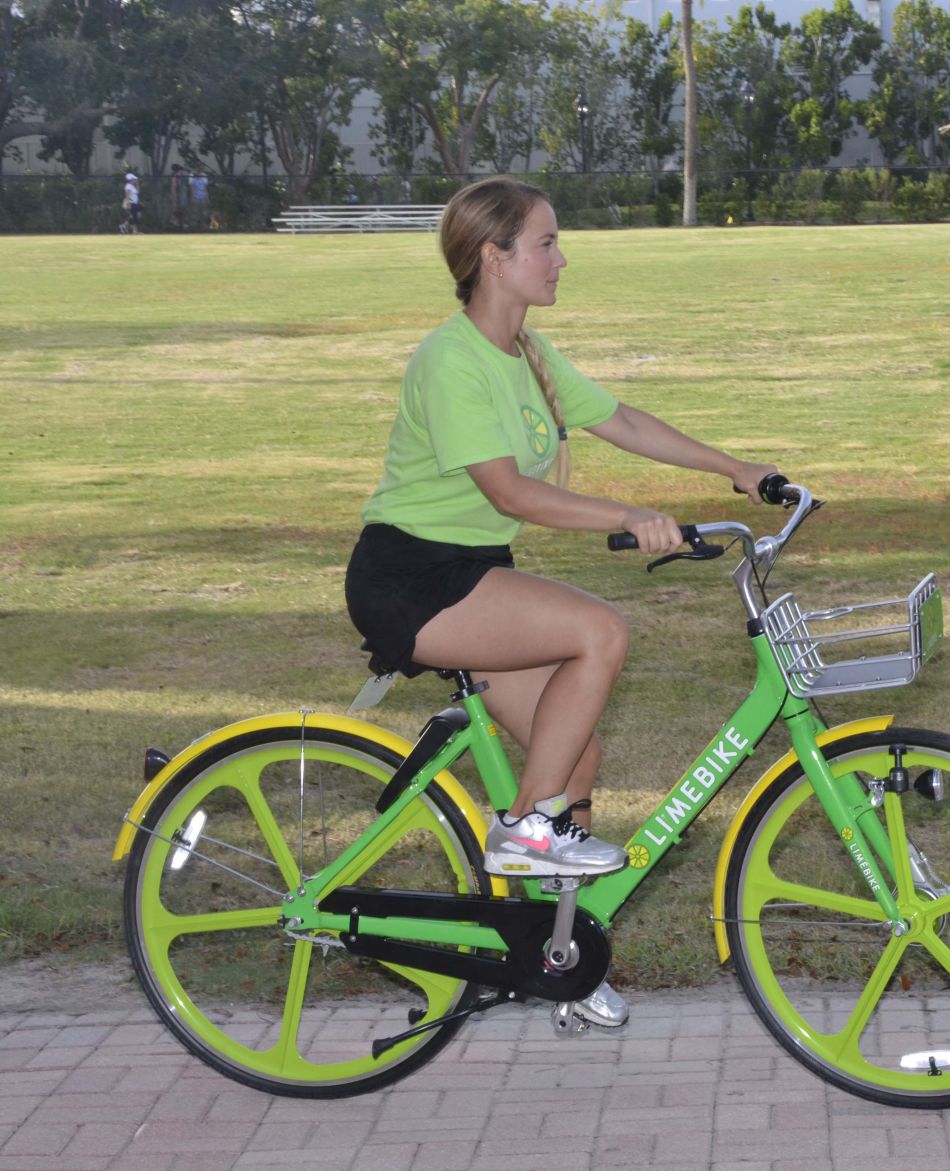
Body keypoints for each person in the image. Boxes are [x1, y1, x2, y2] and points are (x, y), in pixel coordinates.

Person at [344, 176, 775, 1030]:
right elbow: (510, 493)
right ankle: (519, 830)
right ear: (492, 258)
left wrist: (734, 467)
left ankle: (559, 956)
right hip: (413, 578)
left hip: (469, 569)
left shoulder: (528, 355)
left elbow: (624, 420)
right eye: (544, 244)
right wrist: (630, 516)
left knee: (572, 759)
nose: (560, 258)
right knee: (598, 630)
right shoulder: (451, 358)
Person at [170, 164, 189, 231]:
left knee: (183, 209)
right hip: (178, 195)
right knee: (177, 209)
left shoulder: (183, 176)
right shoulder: (176, 176)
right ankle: (177, 223)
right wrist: (174, 195)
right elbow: (174, 186)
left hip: (183, 194)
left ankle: (182, 223)